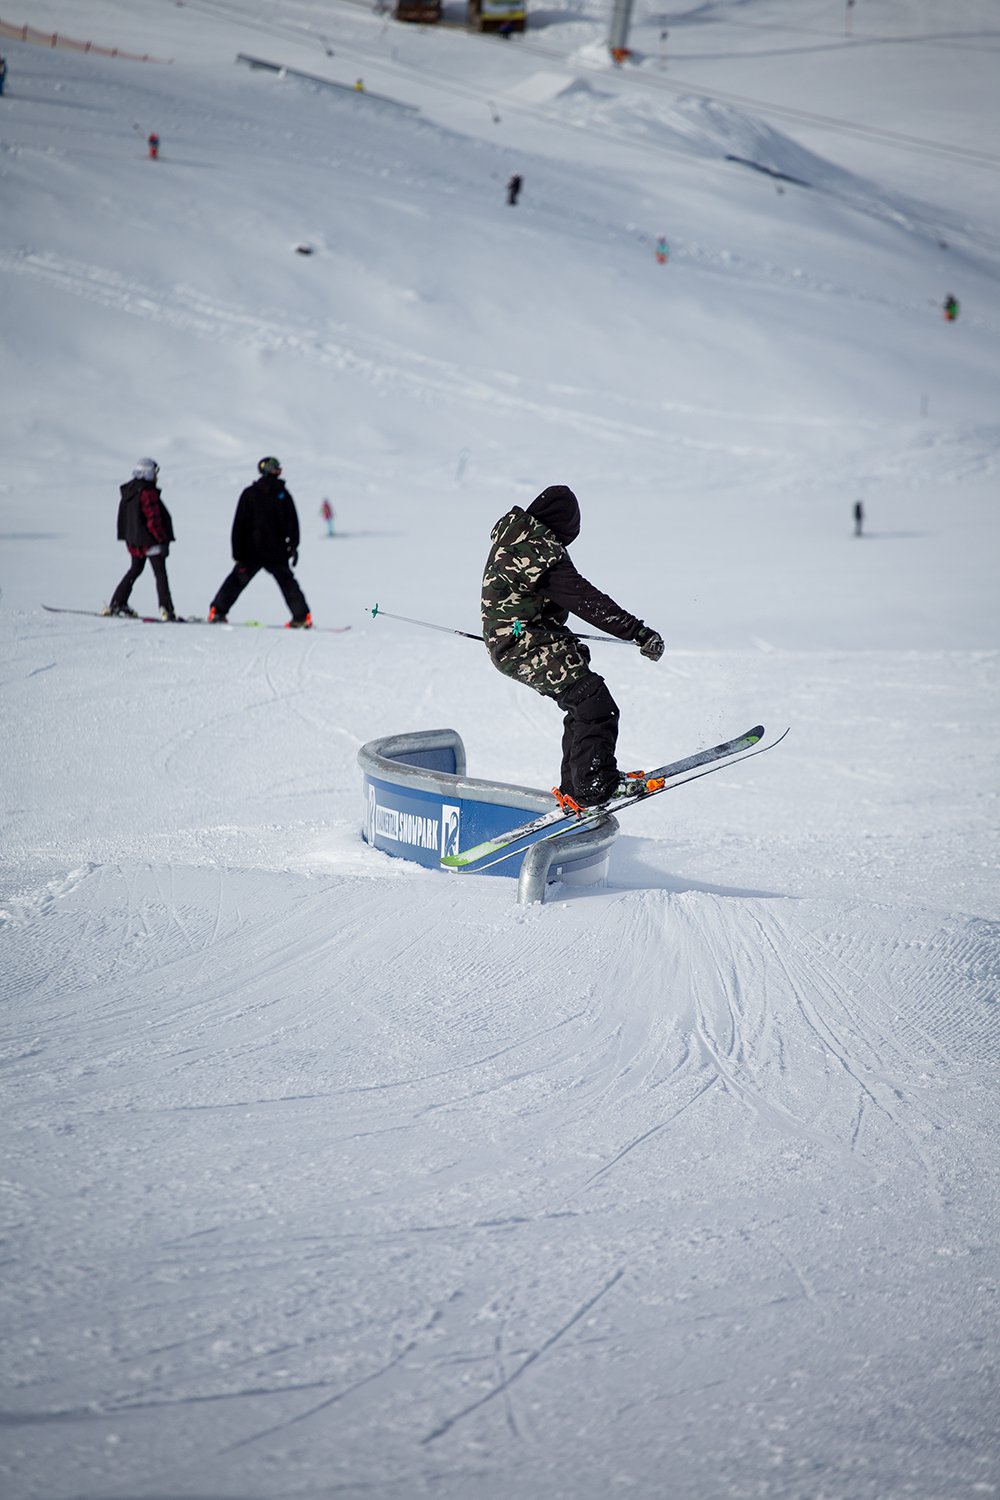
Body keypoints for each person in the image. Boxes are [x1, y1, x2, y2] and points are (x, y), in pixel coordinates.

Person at [480, 484, 664, 809]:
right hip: (523, 643)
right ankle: (595, 785)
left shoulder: (516, 539)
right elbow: (585, 600)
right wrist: (637, 631)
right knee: (594, 703)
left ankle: (576, 787)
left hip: (518, 639)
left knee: (582, 704)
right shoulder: (537, 552)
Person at [208, 457, 312, 627]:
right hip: (271, 551)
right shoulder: (280, 494)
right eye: (275, 467)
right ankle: (302, 617)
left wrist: (238, 553)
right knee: (287, 583)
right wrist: (293, 546)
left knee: (237, 581)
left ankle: (217, 612)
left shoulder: (257, 493)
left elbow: (239, 525)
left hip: (255, 551)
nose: (278, 470)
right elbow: (292, 524)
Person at [105, 458, 178, 620]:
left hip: (134, 541)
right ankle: (166, 609)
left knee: (135, 569)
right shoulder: (147, 492)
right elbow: (153, 519)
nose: (156, 477)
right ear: (148, 473)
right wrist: (161, 540)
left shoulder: (130, 490)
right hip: (150, 540)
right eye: (155, 473)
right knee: (160, 574)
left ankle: (117, 603)